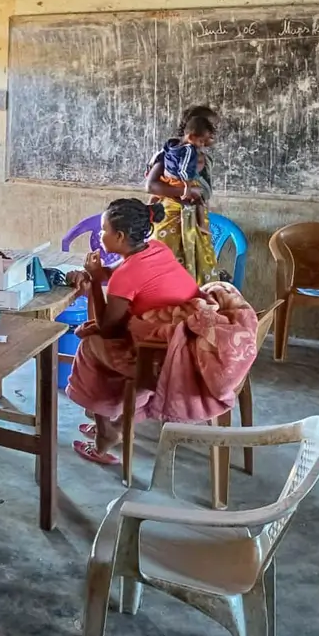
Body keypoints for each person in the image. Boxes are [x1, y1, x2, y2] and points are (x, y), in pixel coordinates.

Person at [65, 199, 257, 466]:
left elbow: (109, 328)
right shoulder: (156, 248)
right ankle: (118, 420)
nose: (100, 235)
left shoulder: (125, 276)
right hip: (188, 340)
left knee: (91, 344)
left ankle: (106, 431)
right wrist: (100, 274)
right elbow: (129, 275)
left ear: (119, 237)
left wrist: (96, 284)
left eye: (103, 230)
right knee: (105, 340)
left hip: (164, 360)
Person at [145, 105, 220, 284]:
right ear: (195, 129)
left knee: (198, 273)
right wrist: (187, 191)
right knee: (166, 273)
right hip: (170, 219)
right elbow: (151, 186)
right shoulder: (171, 155)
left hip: (195, 223)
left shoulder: (204, 159)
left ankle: (195, 310)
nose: (214, 133)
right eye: (210, 127)